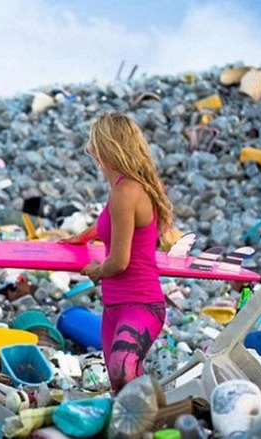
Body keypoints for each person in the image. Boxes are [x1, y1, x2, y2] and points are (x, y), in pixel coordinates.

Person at [64, 112, 173, 393]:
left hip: (141, 304)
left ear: (105, 147)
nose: (92, 153)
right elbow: (113, 224)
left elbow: (119, 262)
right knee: (122, 386)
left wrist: (95, 271)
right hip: (115, 307)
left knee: (122, 369)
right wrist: (83, 236)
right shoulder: (124, 188)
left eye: (93, 146)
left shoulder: (125, 191)